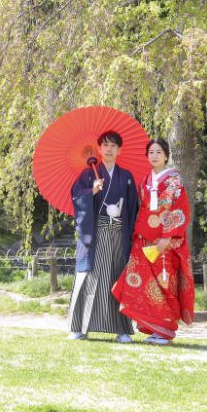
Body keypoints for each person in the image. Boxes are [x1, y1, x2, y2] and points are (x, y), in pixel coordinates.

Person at [112, 138, 195, 345]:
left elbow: (180, 208)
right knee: (141, 283)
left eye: (159, 152)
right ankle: (156, 329)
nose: (155, 156)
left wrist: (168, 237)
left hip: (164, 242)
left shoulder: (174, 180)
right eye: (151, 152)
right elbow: (143, 211)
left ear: (166, 155)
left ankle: (166, 331)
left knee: (165, 284)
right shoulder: (144, 182)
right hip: (144, 240)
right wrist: (138, 234)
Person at [67, 130, 138, 342]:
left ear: (119, 150)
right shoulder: (88, 174)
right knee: (89, 277)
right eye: (105, 145)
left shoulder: (126, 177)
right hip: (94, 235)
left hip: (117, 234)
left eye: (113, 145)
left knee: (116, 278)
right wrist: (92, 192)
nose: (108, 149)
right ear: (99, 149)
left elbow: (133, 208)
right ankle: (80, 328)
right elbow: (76, 196)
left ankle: (122, 330)